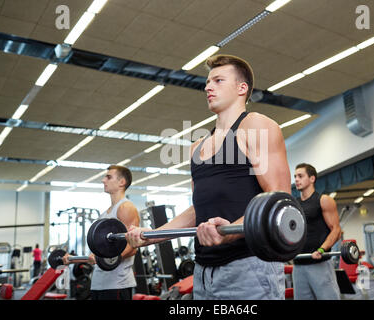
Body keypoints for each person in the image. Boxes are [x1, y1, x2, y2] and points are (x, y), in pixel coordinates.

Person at [126, 54, 292, 300]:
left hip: (249, 267)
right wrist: (151, 235)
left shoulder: (256, 127)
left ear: (241, 88)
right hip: (203, 271)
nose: (207, 87)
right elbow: (198, 210)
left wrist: (229, 230)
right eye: (207, 82)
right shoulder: (197, 147)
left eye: (218, 80)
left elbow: (279, 202)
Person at [63, 165, 139, 300]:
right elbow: (98, 254)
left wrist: (106, 259)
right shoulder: (105, 213)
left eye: (108, 177)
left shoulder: (126, 208)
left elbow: (133, 246)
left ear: (122, 182)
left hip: (117, 284)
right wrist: (73, 260)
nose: (103, 180)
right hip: (99, 283)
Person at [292, 163, 342, 300]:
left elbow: (336, 230)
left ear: (312, 178)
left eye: (300, 176)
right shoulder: (293, 204)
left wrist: (321, 250)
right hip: (299, 265)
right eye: (295, 176)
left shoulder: (323, 200)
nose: (296, 179)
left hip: (319, 263)